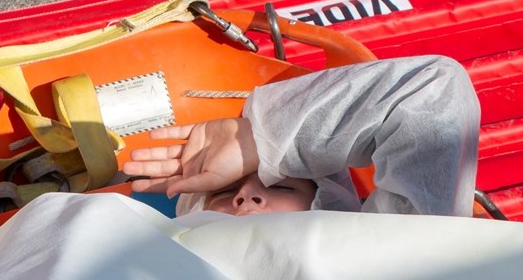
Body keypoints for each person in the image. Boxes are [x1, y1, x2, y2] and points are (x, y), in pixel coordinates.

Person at [121, 55, 481, 218]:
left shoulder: (379, 262)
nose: (245, 196)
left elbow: (433, 88)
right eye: (223, 194)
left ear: (330, 207)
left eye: (282, 187)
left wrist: (261, 141)